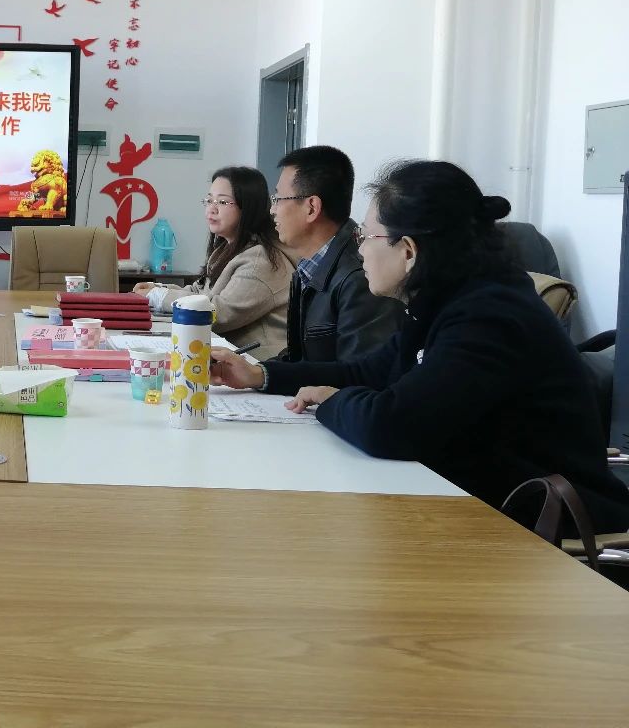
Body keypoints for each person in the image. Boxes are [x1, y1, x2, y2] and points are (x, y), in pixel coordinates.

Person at [211, 160, 629, 533]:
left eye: (366, 236)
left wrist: (332, 401)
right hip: (475, 498)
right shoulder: (442, 300)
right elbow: (368, 371)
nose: (360, 249)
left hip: (536, 520)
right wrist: (261, 375)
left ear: (408, 251)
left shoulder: (489, 316)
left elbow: (391, 426)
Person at [133, 166, 291, 359]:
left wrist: (160, 297)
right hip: (228, 356)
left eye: (222, 202)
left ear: (248, 206)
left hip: (258, 362)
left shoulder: (260, 259)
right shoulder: (227, 249)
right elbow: (200, 293)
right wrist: (157, 289)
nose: (212, 209)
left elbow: (220, 314)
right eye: (209, 200)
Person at [269, 145, 402, 362]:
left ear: (312, 207)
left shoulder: (361, 276)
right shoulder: (309, 266)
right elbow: (299, 359)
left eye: (278, 199)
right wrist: (260, 372)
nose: (272, 210)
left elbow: (357, 374)